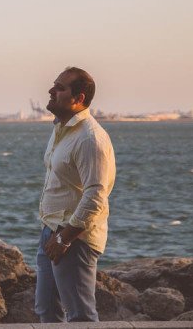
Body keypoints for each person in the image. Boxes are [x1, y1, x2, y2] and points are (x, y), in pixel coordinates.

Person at [35, 67, 116, 323]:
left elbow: (95, 195)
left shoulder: (90, 139)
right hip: (51, 229)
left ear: (79, 98)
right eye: (53, 85)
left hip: (74, 237)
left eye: (59, 88)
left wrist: (65, 238)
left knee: (80, 315)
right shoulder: (62, 130)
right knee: (46, 309)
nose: (51, 91)